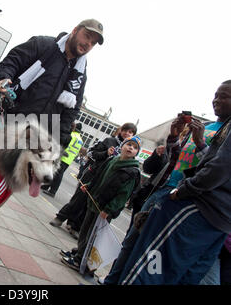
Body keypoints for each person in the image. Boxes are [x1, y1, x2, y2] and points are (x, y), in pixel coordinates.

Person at [104, 80, 231, 285]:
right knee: (132, 244)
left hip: (186, 200)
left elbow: (217, 167)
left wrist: (200, 144)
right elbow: (177, 158)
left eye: (223, 96)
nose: (216, 100)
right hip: (166, 190)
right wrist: (173, 137)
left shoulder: (224, 133)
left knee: (154, 262)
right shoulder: (205, 126)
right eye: (215, 95)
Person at [0, 19, 104, 149]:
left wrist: (60, 139)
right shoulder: (43, 44)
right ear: (75, 30)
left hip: (37, 141)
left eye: (93, 43)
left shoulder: (80, 75)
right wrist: (2, 78)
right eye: (87, 36)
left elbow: (72, 110)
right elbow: (13, 60)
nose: (88, 44)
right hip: (6, 121)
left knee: (12, 170)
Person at [60, 136, 142, 275]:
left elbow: (123, 195)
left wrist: (109, 210)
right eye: (129, 144)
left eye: (135, 148)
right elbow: (99, 177)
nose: (131, 148)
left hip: (104, 210)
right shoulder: (112, 160)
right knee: (85, 231)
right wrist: (89, 185)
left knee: (93, 237)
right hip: (94, 203)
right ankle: (79, 253)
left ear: (136, 153)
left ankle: (82, 262)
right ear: (121, 146)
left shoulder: (132, 171)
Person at [49, 122, 137, 236]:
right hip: (92, 174)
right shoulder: (109, 141)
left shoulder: (129, 151)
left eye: (131, 132)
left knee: (90, 205)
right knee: (78, 199)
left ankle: (75, 226)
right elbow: (91, 153)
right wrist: (105, 153)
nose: (127, 133)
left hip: (105, 182)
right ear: (121, 130)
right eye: (126, 130)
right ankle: (61, 217)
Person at [41, 122, 83, 198]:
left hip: (63, 157)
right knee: (55, 173)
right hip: (69, 159)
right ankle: (46, 186)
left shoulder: (72, 136)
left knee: (57, 174)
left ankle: (53, 191)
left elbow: (66, 146)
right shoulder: (80, 140)